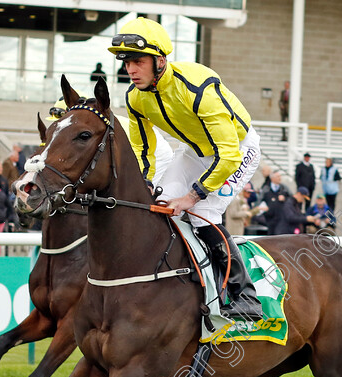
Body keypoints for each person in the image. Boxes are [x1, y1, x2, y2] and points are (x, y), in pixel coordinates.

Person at [110, 17, 263, 319]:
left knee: (204, 214)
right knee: (158, 204)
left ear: (160, 60)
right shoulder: (135, 98)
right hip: (193, 152)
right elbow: (144, 149)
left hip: (237, 149)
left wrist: (192, 197)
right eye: (126, 62)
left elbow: (228, 154)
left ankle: (244, 294)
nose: (130, 70)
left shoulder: (196, 85)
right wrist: (145, 182)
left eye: (137, 61)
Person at [254, 169, 291, 235]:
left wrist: (285, 199)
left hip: (281, 218)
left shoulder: (284, 188)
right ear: (272, 178)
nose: (280, 178)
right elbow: (259, 200)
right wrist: (259, 208)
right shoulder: (266, 188)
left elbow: (291, 198)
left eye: (280, 176)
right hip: (269, 218)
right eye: (278, 176)